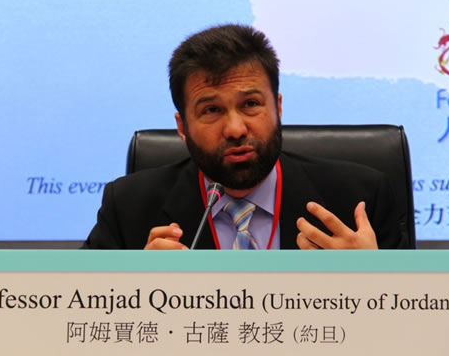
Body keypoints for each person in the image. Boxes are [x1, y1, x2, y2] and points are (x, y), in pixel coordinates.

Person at [84, 24, 406, 250]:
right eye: (211, 110)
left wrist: (374, 278)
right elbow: (77, 312)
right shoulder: (128, 208)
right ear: (182, 127)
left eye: (250, 104)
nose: (235, 129)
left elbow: (417, 318)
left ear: (277, 108)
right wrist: (134, 287)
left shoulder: (359, 200)